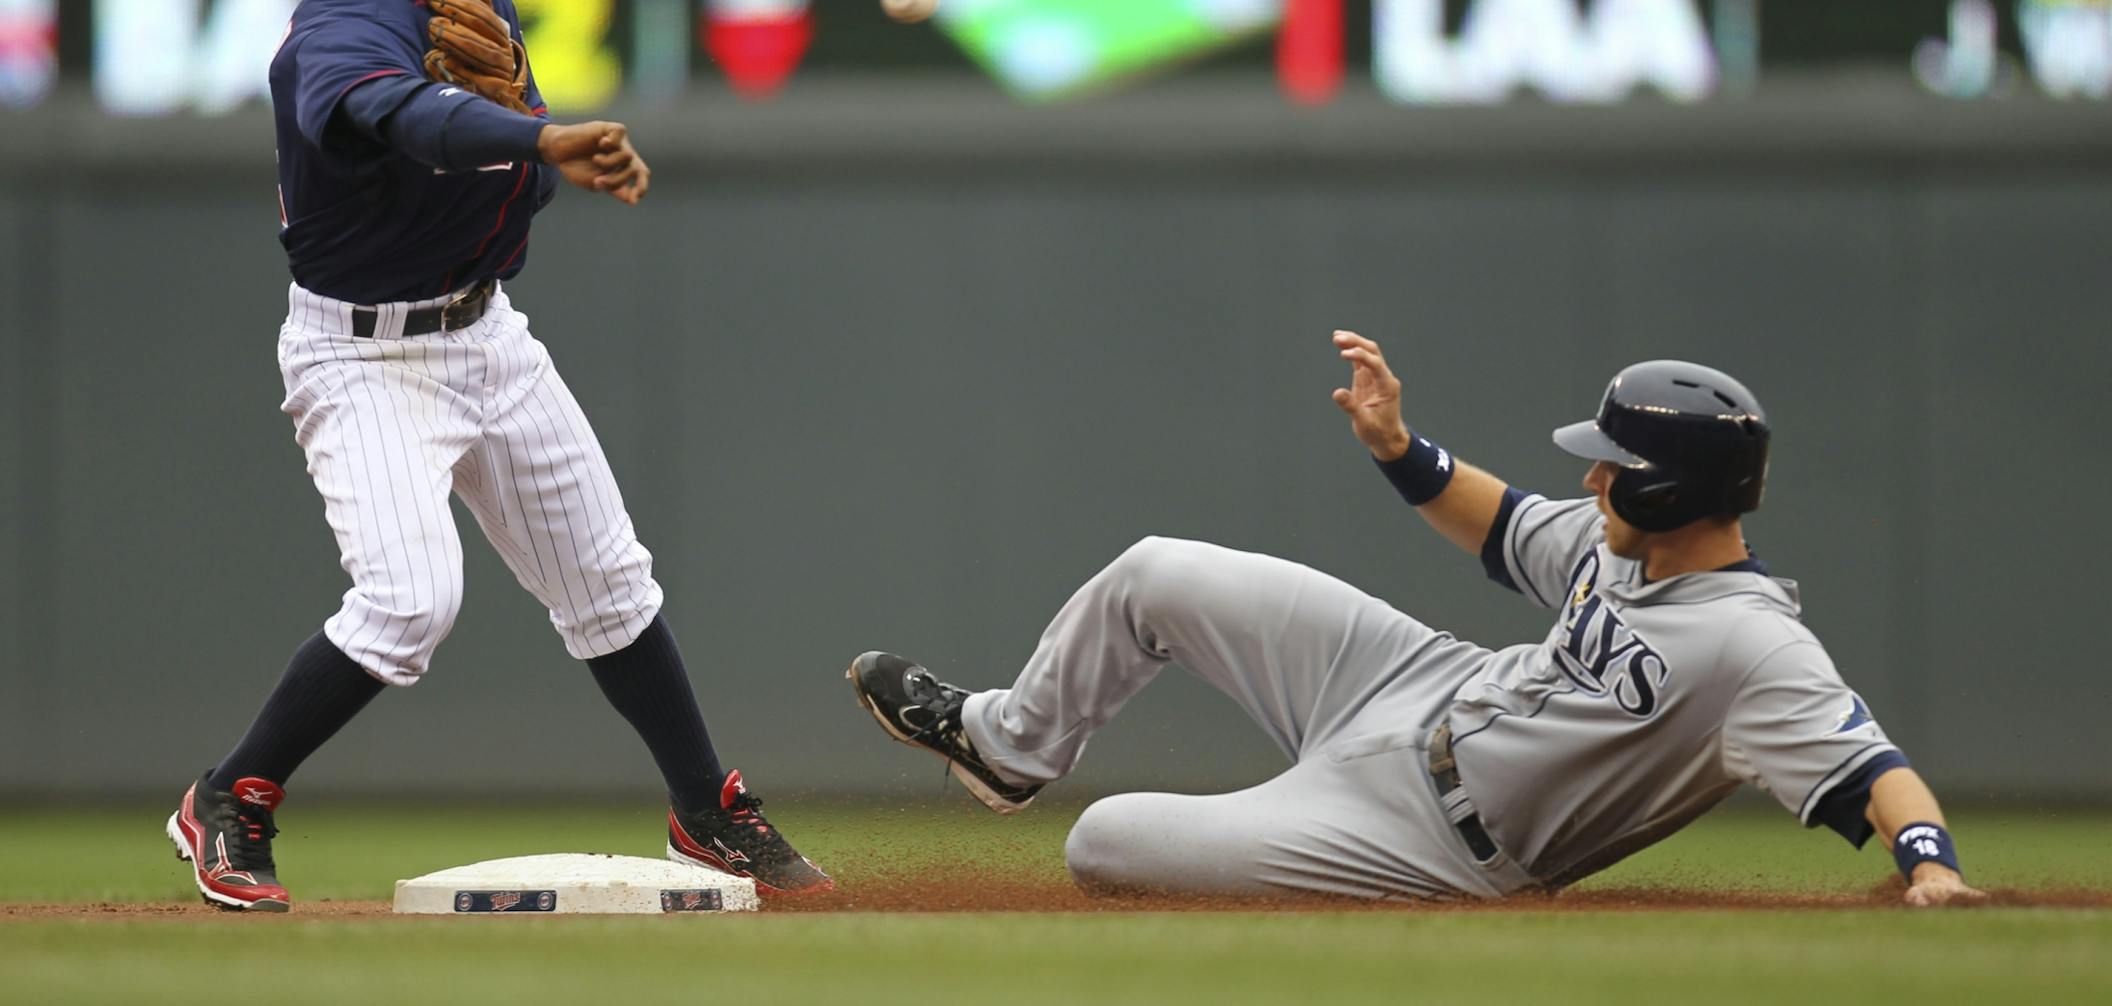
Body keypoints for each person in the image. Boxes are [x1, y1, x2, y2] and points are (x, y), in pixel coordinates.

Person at [166, 0, 829, 911]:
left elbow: (497, 171)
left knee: (610, 586)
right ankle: (230, 796)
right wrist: (542, 133)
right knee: (410, 603)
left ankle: (707, 814)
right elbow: (401, 117)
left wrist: (547, 154)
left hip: (486, 334)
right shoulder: (334, 29)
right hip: (363, 359)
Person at [849, 329, 1986, 906]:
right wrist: (1399, 446)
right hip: (1410, 682)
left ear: (1670, 491)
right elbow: (1496, 524)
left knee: (1105, 845)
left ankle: (1061, 780)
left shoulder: (1751, 646)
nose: (1593, 483)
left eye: (1612, 467)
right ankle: (1005, 745)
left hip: (1429, 838)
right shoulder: (1617, 548)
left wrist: (1927, 863)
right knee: (1159, 571)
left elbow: (1867, 761)